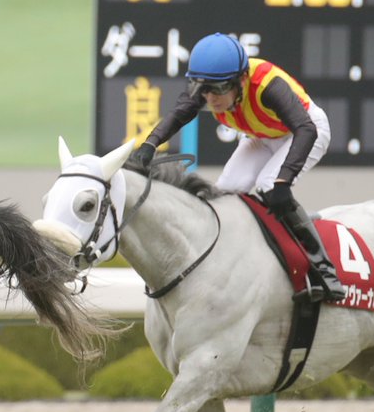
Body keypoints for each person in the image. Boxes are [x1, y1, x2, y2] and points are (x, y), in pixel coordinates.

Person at [134, 32, 345, 302]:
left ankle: (324, 271)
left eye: (220, 88)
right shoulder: (208, 89)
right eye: (203, 88)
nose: (211, 97)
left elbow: (305, 129)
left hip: (304, 129)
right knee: (224, 194)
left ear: (242, 80)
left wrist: (284, 181)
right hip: (263, 135)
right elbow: (177, 117)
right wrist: (149, 145)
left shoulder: (268, 86)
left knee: (270, 186)